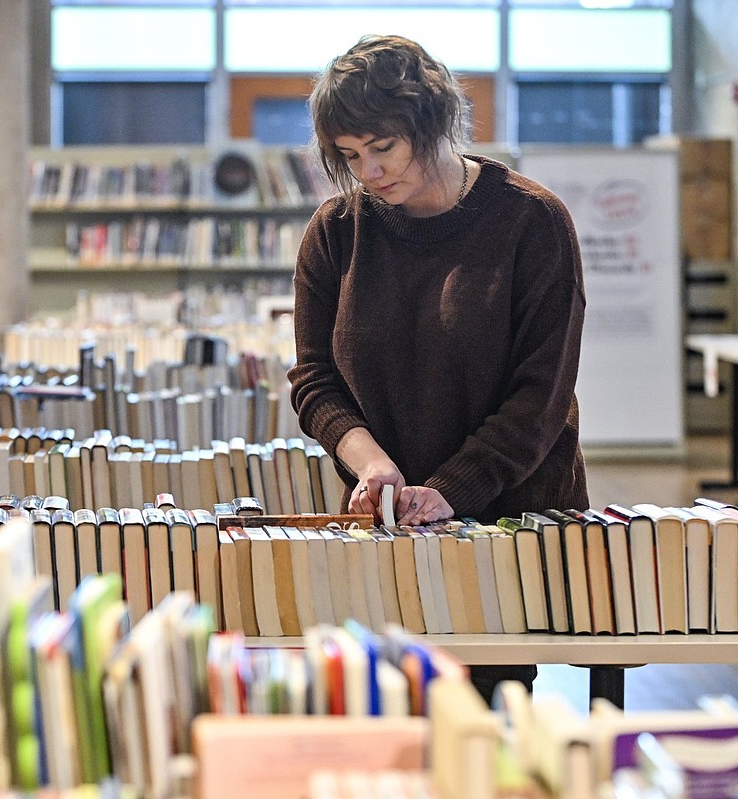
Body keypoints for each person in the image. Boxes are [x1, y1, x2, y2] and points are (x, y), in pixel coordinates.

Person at [287, 34, 589, 703]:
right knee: (387, 727)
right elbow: (313, 379)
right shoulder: (336, 232)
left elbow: (540, 396)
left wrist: (453, 487)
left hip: (508, 529)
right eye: (349, 156)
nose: (368, 171)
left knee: (483, 726)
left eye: (383, 147)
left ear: (431, 120)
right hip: (386, 528)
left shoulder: (530, 222)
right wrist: (371, 463)